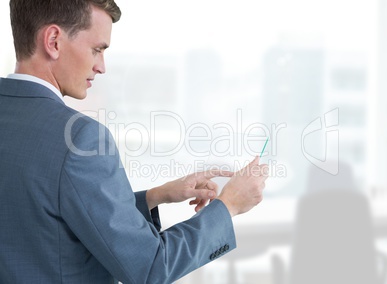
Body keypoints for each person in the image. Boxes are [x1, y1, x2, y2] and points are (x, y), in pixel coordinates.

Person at [0, 0, 269, 283]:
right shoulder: (80, 138)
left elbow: (42, 220)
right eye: (97, 49)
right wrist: (229, 205)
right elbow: (149, 268)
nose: (101, 67)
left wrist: (155, 196)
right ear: (53, 40)